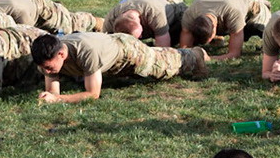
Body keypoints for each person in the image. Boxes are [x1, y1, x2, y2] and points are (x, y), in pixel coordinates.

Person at [33, 31, 207, 104]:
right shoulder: (47, 54)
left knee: (165, 66)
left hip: (126, 52)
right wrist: (51, 96)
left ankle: (195, 55)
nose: (46, 72)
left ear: (61, 54)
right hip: (108, 52)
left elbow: (93, 94)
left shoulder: (86, 52)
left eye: (48, 68)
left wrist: (58, 99)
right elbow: (53, 91)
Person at [179, 0, 269, 59]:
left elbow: (235, 54)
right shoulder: (190, 14)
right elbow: (184, 49)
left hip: (249, 0)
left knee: (268, 33)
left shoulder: (233, 12)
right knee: (233, 26)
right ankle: (219, 36)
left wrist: (209, 58)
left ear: (214, 27)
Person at [104, 0, 186, 48]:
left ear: (139, 21)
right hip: (147, 3)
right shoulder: (110, 20)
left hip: (173, 10)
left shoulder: (154, 13)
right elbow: (105, 46)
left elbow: (164, 49)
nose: (140, 37)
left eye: (139, 35)